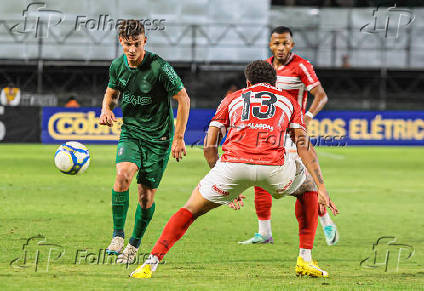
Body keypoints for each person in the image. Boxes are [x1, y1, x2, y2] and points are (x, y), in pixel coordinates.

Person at [129, 60, 338, 279]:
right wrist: (322, 187)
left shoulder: (232, 99)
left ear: (247, 82)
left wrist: (220, 178)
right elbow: (303, 145)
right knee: (308, 188)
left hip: (232, 167)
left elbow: (210, 146)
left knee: (191, 209)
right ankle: (305, 259)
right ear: (275, 82)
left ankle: (150, 263)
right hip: (274, 169)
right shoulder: (288, 101)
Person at [98, 20, 190, 264]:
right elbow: (111, 92)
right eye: (127, 44)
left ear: (144, 42)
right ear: (121, 42)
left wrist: (178, 138)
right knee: (123, 175)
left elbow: (184, 99)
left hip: (159, 139)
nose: (131, 49)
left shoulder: (159, 67)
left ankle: (133, 245)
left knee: (145, 197)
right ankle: (118, 236)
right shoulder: (117, 66)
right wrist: (105, 110)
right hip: (131, 132)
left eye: (136, 44)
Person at [239, 26, 338, 246]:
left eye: (285, 43)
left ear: (292, 45)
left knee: (306, 181)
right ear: (270, 45)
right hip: (270, 132)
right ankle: (264, 232)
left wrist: (308, 117)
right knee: (259, 177)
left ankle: (326, 222)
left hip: (293, 134)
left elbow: (321, 96)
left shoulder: (301, 66)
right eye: (276, 43)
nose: (281, 47)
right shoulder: (266, 68)